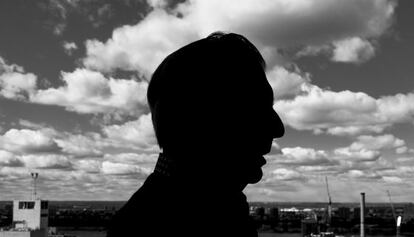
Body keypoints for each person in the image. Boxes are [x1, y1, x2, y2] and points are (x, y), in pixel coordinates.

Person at [106, 32, 284, 237]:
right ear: (201, 117)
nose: (278, 128)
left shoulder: (148, 218)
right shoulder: (205, 220)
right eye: (256, 107)